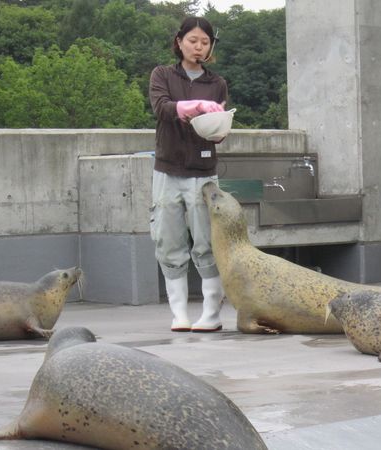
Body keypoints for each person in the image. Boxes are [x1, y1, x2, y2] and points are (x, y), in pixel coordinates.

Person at [149, 16, 227, 332]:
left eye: (205, 42)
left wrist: (218, 124)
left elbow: (220, 130)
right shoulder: (162, 75)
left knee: (207, 241)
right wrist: (193, 107)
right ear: (179, 41)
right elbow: (162, 108)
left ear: (210, 48)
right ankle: (179, 314)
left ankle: (211, 314)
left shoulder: (217, 83)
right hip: (168, 170)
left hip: (203, 172)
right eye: (193, 40)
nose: (198, 47)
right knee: (169, 240)